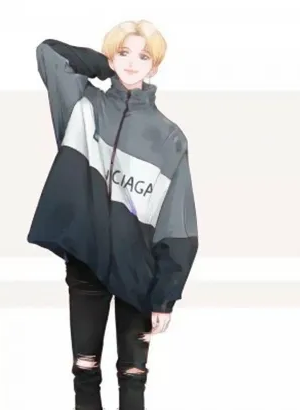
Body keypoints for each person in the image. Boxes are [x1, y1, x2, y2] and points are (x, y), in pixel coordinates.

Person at [27, 19, 199, 410]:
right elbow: (49, 54)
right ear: (111, 56)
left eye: (143, 56)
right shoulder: (83, 107)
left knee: (133, 377)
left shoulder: (169, 137)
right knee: (84, 370)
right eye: (124, 53)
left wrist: (165, 296)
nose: (132, 62)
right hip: (86, 262)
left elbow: (178, 223)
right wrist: (105, 66)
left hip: (139, 274)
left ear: (155, 66)